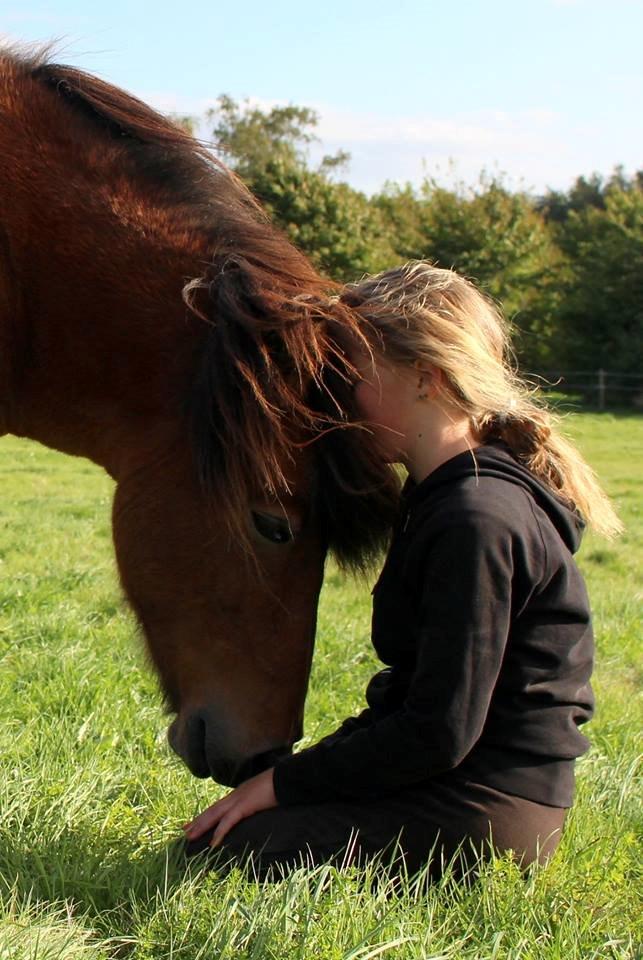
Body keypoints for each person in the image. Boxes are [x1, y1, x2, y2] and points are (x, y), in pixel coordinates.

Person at [182, 261, 621, 880]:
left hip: (487, 812)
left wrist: (285, 786)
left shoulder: (478, 516)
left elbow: (439, 730)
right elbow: (417, 702)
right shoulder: (441, 497)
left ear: (425, 377)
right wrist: (287, 781)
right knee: (234, 833)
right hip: (457, 782)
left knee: (228, 853)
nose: (338, 398)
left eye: (354, 375)